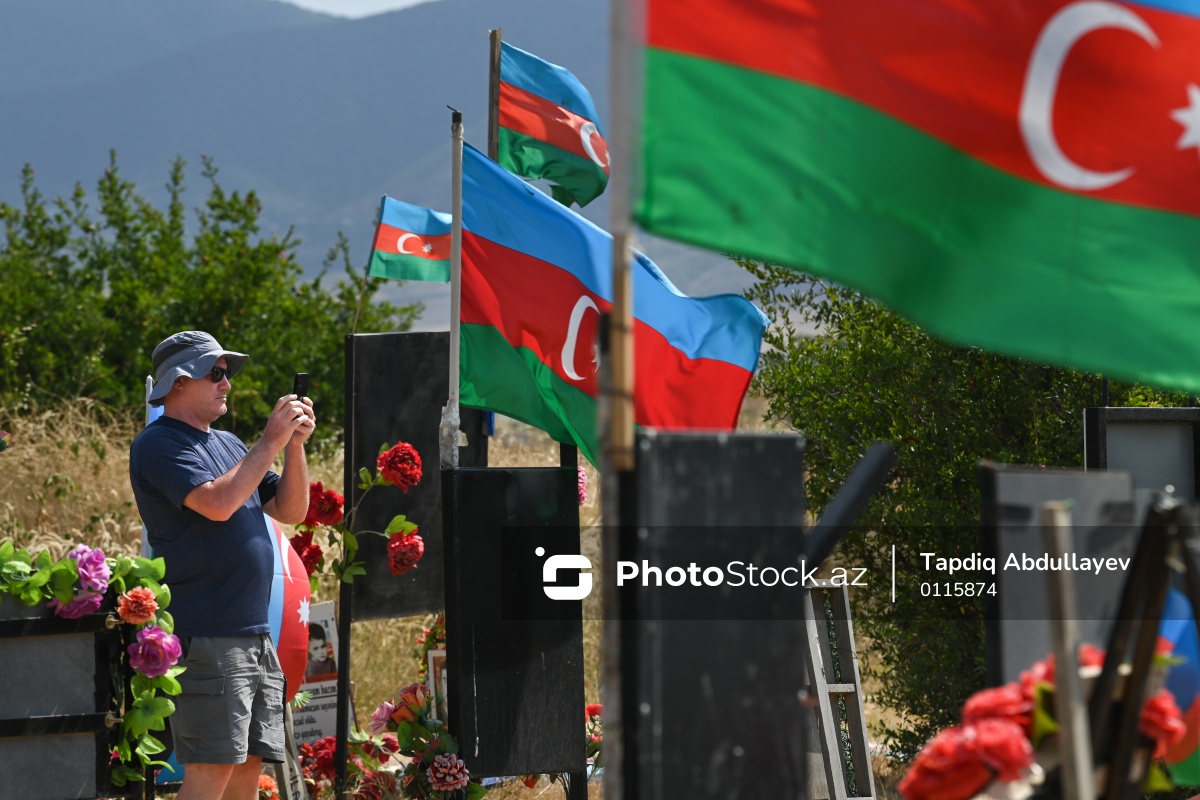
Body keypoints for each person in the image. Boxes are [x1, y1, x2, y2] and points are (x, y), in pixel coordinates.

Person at [129, 330, 315, 800]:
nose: (226, 383)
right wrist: (271, 439)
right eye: (215, 373)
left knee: (249, 765)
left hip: (252, 632)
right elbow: (217, 503)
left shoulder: (230, 444)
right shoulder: (157, 443)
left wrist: (293, 445)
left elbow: (291, 510)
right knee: (212, 768)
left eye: (226, 373)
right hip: (209, 631)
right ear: (178, 382)